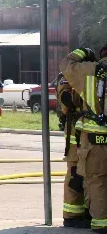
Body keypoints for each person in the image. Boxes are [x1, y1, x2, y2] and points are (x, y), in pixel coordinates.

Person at [60, 46, 107, 233]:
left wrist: (83, 51)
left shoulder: (88, 70)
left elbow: (65, 63)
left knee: (97, 180)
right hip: (87, 138)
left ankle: (100, 223)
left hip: (94, 139)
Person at [57, 71, 90, 229]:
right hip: (75, 133)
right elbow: (66, 101)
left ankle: (87, 210)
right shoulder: (68, 76)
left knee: (91, 173)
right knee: (76, 173)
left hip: (87, 132)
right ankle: (72, 215)